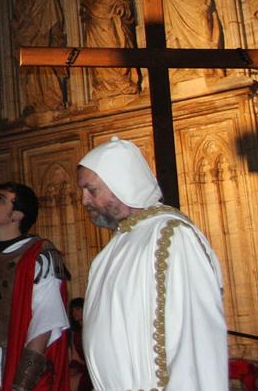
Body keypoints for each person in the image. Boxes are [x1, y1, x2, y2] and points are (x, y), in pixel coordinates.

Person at [78, 136, 227, 390]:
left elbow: (193, 339)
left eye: (91, 190)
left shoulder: (171, 235)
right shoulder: (114, 248)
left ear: (122, 183)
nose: (84, 201)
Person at [0, 182, 71, 391]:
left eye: (0, 199)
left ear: (17, 215)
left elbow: (45, 322)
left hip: (16, 359)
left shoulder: (39, 256)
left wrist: (22, 383)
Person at [80, 0, 139, 99]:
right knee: (99, 60)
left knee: (117, 55)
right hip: (96, 32)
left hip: (114, 29)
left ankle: (123, 83)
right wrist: (87, 12)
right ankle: (104, 86)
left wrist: (121, 8)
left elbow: (127, 9)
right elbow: (89, 8)